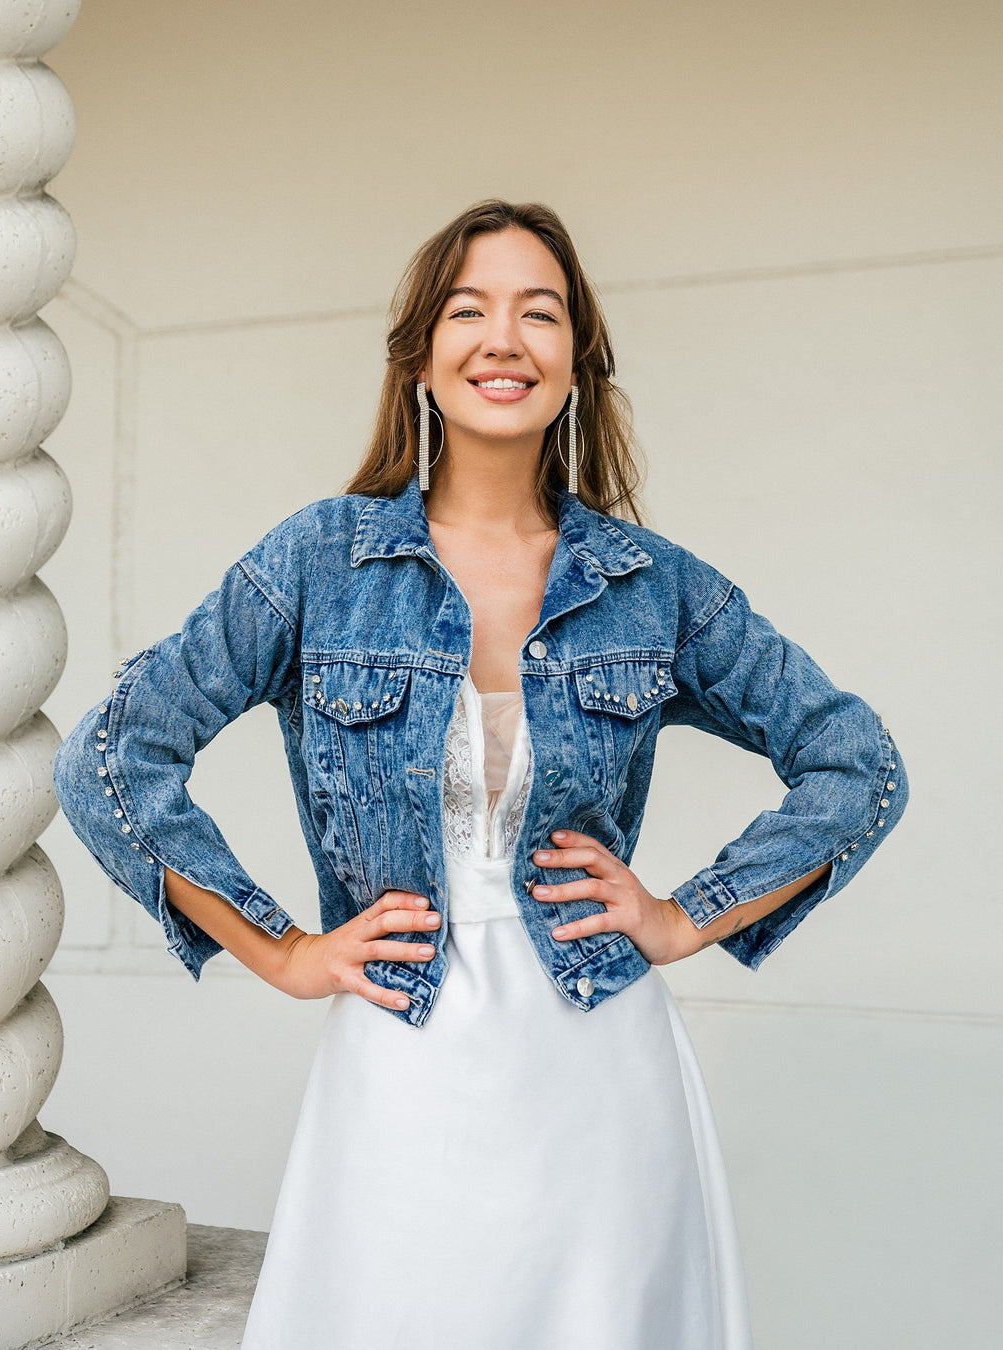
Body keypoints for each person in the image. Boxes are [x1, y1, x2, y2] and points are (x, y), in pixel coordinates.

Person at [52, 199, 909, 1349]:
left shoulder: (652, 585)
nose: (503, 337)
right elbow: (109, 755)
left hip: (603, 1076)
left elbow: (858, 768)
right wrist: (284, 950)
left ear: (577, 364)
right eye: (470, 309)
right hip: (404, 1069)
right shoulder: (319, 561)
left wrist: (682, 917)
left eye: (539, 313)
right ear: (419, 354)